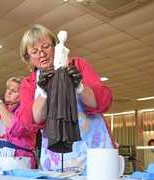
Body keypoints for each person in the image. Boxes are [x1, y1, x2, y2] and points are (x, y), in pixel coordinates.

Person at [19, 24, 115, 172]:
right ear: (28, 58)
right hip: (56, 153)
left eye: (46, 46)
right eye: (34, 51)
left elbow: (101, 102)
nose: (41, 54)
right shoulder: (29, 83)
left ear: (56, 46)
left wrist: (80, 87)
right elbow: (35, 119)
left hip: (93, 149)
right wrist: (44, 93)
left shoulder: (78, 64)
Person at [0, 77, 38, 168]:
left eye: (14, 91)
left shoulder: (27, 109)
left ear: (23, 95)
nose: (8, 92)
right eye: (8, 89)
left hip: (15, 159)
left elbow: (15, 127)